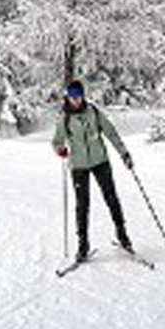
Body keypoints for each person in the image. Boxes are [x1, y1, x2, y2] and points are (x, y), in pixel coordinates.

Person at [52, 79, 135, 262]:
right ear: (68, 97)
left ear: (83, 96)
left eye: (79, 96)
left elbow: (111, 133)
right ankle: (83, 244)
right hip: (79, 165)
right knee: (82, 205)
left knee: (111, 198)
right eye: (73, 97)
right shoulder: (65, 117)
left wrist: (124, 153)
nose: (76, 100)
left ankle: (122, 234)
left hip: (100, 161)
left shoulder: (94, 112)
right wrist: (60, 150)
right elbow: (57, 140)